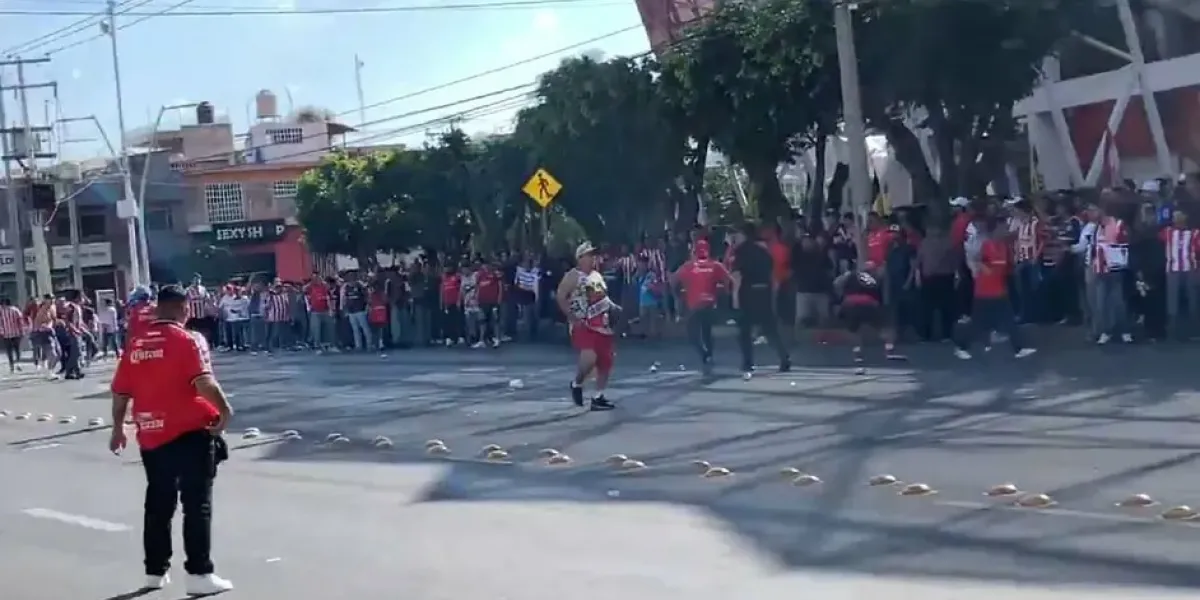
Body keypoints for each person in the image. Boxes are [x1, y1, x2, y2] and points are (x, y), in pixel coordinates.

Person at [108, 285, 234, 595]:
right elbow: (203, 382)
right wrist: (225, 410)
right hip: (190, 430)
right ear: (183, 308)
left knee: (159, 503)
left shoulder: (135, 343)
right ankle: (199, 574)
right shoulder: (185, 340)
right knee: (196, 504)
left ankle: (155, 570)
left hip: (151, 433)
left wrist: (117, 427)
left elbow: (121, 391)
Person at [953, 217, 1038, 360]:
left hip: (999, 291)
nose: (1006, 231)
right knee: (977, 324)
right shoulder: (986, 245)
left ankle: (1018, 348)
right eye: (1003, 228)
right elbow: (974, 259)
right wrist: (980, 267)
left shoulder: (1003, 247)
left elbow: (1003, 268)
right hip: (984, 292)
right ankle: (961, 346)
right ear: (995, 230)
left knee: (1009, 320)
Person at [556, 242, 618, 411]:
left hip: (602, 323)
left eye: (594, 255)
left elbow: (603, 297)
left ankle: (598, 397)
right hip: (583, 323)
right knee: (590, 357)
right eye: (589, 255)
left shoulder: (597, 276)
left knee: (606, 362)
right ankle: (577, 383)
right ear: (580, 258)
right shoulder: (572, 276)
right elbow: (561, 296)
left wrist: (613, 307)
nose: (593, 258)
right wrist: (570, 316)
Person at [730, 222, 789, 380]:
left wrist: (735, 298)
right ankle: (784, 357)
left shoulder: (741, 251)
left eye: (737, 234)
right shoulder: (764, 252)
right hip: (764, 292)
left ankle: (748, 363)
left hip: (748, 293)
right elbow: (772, 275)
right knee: (770, 329)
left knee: (745, 331)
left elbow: (738, 276)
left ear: (744, 235)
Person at [833, 261, 905, 375]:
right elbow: (885, 294)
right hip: (869, 304)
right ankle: (889, 350)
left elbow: (836, 283)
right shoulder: (877, 276)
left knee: (853, 330)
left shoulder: (851, 274)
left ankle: (858, 353)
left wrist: (841, 296)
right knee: (886, 327)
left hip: (851, 303)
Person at [673, 239, 731, 375]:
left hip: (695, 306)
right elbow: (729, 281)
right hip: (710, 304)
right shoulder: (716, 265)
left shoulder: (688, 266)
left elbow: (674, 280)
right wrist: (723, 293)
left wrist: (679, 295)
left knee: (692, 334)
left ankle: (704, 354)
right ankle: (709, 355)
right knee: (707, 331)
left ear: (694, 251)